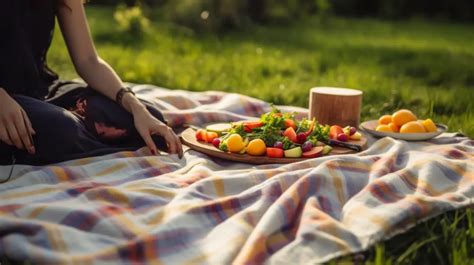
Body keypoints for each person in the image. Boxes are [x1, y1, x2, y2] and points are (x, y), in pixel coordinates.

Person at [0, 0, 183, 166]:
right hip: (5, 100)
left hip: (41, 89)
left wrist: (136, 108)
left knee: (150, 118)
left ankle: (82, 144)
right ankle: (96, 145)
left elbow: (88, 60)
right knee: (62, 129)